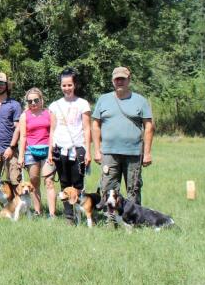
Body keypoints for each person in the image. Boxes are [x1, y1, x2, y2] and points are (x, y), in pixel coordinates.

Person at [93, 66, 154, 204]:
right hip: (109, 153)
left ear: (129, 80)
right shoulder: (103, 99)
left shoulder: (140, 100)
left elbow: (149, 127)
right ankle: (111, 220)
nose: (120, 82)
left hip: (133, 153)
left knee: (134, 188)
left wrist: (147, 153)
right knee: (108, 188)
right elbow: (95, 125)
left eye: (123, 79)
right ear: (113, 81)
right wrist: (97, 150)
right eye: (117, 79)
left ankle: (132, 220)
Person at [48, 68, 92, 224]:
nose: (67, 88)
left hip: (77, 149)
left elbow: (87, 128)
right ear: (60, 86)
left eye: (69, 85)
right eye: (64, 85)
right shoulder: (55, 105)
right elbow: (52, 130)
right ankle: (69, 217)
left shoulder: (83, 104)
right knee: (64, 183)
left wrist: (88, 151)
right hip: (60, 150)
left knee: (78, 183)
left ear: (75, 85)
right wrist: (50, 152)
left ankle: (81, 214)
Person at [17, 87, 51, 216]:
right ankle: (38, 210)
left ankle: (52, 212)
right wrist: (21, 157)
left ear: (41, 100)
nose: (33, 103)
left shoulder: (49, 113)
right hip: (31, 151)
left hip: (47, 150)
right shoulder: (24, 116)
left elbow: (53, 132)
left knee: (48, 181)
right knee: (34, 181)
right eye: (29, 101)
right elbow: (23, 136)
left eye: (36, 100)